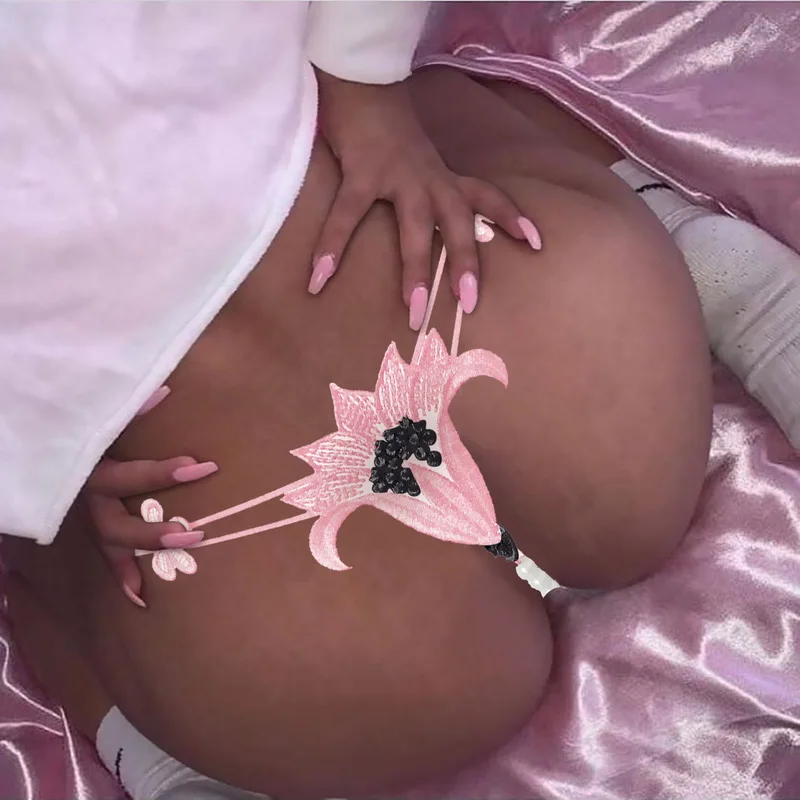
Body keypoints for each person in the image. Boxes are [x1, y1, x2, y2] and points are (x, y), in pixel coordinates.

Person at [4, 58, 714, 798]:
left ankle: (162, 768)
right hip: (464, 271)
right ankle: (717, 267)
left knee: (52, 566)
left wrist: (38, 464)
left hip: (213, 533)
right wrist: (370, 98)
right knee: (439, 102)